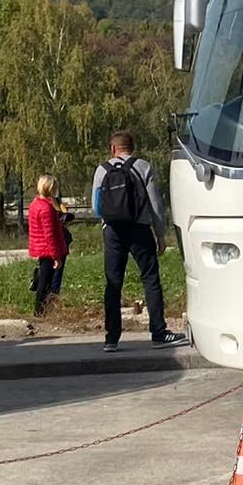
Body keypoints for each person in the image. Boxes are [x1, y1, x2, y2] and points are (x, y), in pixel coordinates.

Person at [91, 131, 187, 352]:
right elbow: (155, 204)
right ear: (131, 148)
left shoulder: (101, 170)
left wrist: (108, 221)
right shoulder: (143, 166)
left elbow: (97, 208)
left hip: (113, 231)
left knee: (113, 283)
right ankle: (159, 333)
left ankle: (111, 339)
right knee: (150, 279)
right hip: (139, 229)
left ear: (112, 148)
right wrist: (160, 234)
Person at [26, 174, 70, 316]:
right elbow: (49, 235)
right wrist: (56, 256)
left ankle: (41, 310)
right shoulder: (46, 209)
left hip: (39, 247)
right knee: (45, 283)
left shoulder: (35, 204)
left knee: (43, 281)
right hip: (47, 250)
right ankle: (40, 311)